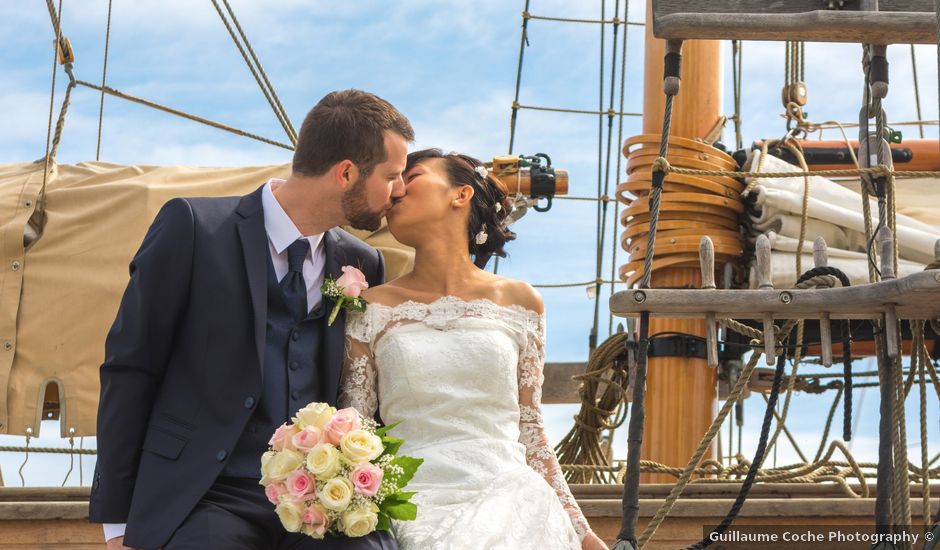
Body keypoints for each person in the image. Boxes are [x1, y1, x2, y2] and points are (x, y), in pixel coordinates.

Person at [88, 89, 412, 550]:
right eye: (392, 176)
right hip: (206, 494)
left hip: (321, 500)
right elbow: (130, 366)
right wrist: (117, 519)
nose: (399, 191)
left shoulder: (363, 261)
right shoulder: (194, 227)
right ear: (346, 173)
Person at [338, 149, 609, 550]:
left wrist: (583, 533)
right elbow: (356, 431)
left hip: (513, 498)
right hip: (410, 503)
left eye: (410, 177)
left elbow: (530, 431)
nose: (395, 191)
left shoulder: (522, 302)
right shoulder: (371, 308)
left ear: (460, 195)